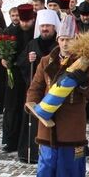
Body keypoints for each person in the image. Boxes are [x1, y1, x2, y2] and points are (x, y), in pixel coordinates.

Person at [25, 16, 89, 177]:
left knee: (69, 169)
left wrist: (83, 81)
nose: (65, 44)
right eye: (62, 39)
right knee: (46, 167)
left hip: (72, 125)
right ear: (57, 40)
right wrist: (31, 105)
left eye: (69, 40)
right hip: (47, 123)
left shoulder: (84, 63)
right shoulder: (46, 61)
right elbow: (36, 87)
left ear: (76, 40)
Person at [16, 8, 60, 163]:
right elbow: (20, 65)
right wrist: (28, 60)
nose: (45, 29)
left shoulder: (59, 44)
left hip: (54, 91)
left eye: (48, 26)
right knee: (33, 121)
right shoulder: (32, 44)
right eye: (42, 26)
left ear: (55, 27)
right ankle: (30, 153)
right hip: (36, 90)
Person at [0, 4, 36, 152]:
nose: (25, 24)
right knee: (12, 107)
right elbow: (3, 53)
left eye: (28, 21)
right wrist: (3, 59)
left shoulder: (36, 33)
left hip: (31, 76)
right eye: (22, 21)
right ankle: (11, 140)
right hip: (14, 76)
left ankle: (28, 138)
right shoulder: (10, 32)